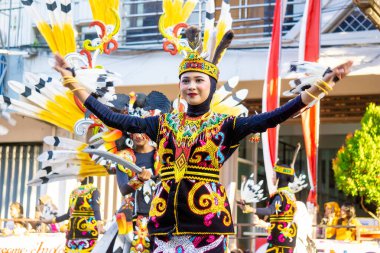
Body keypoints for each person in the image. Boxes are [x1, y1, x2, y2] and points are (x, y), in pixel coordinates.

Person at [53, 24, 352, 251]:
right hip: (164, 222)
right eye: (185, 81)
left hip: (207, 222)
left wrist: (322, 85)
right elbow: (111, 117)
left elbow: (274, 116)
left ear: (210, 85)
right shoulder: (163, 123)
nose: (191, 86)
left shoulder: (227, 124)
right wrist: (71, 80)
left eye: (199, 80)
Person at [240, 165, 298, 253]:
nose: (272, 178)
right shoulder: (291, 194)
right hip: (288, 235)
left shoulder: (280, 195)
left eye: (274, 175)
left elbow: (270, 210)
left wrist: (250, 209)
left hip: (279, 237)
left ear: (279, 178)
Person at [41, 177, 103, 252]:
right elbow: (95, 208)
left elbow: (69, 214)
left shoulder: (76, 191)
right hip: (86, 230)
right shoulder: (93, 190)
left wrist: (52, 221)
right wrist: (99, 221)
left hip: (76, 231)